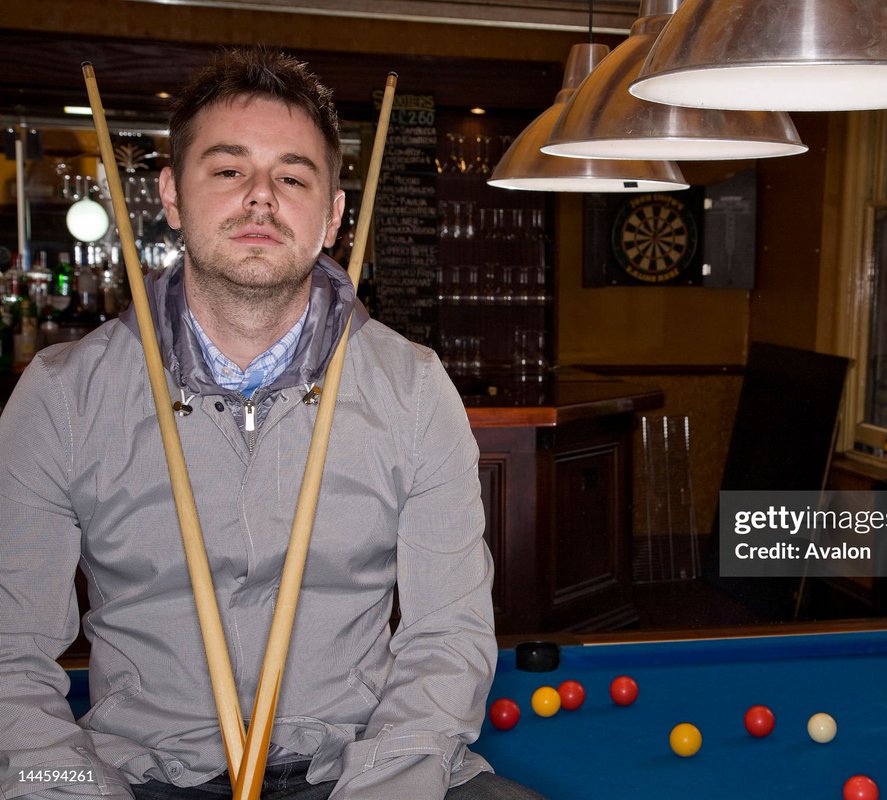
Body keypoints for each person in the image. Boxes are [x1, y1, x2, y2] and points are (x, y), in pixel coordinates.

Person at [0, 48, 541, 800]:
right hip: (134, 778)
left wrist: (386, 787)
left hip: (367, 769)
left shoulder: (413, 388)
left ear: (333, 215)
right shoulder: (61, 398)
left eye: (292, 176)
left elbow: (446, 639)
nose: (260, 198)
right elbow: (7, 657)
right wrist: (67, 788)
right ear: (172, 196)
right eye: (227, 171)